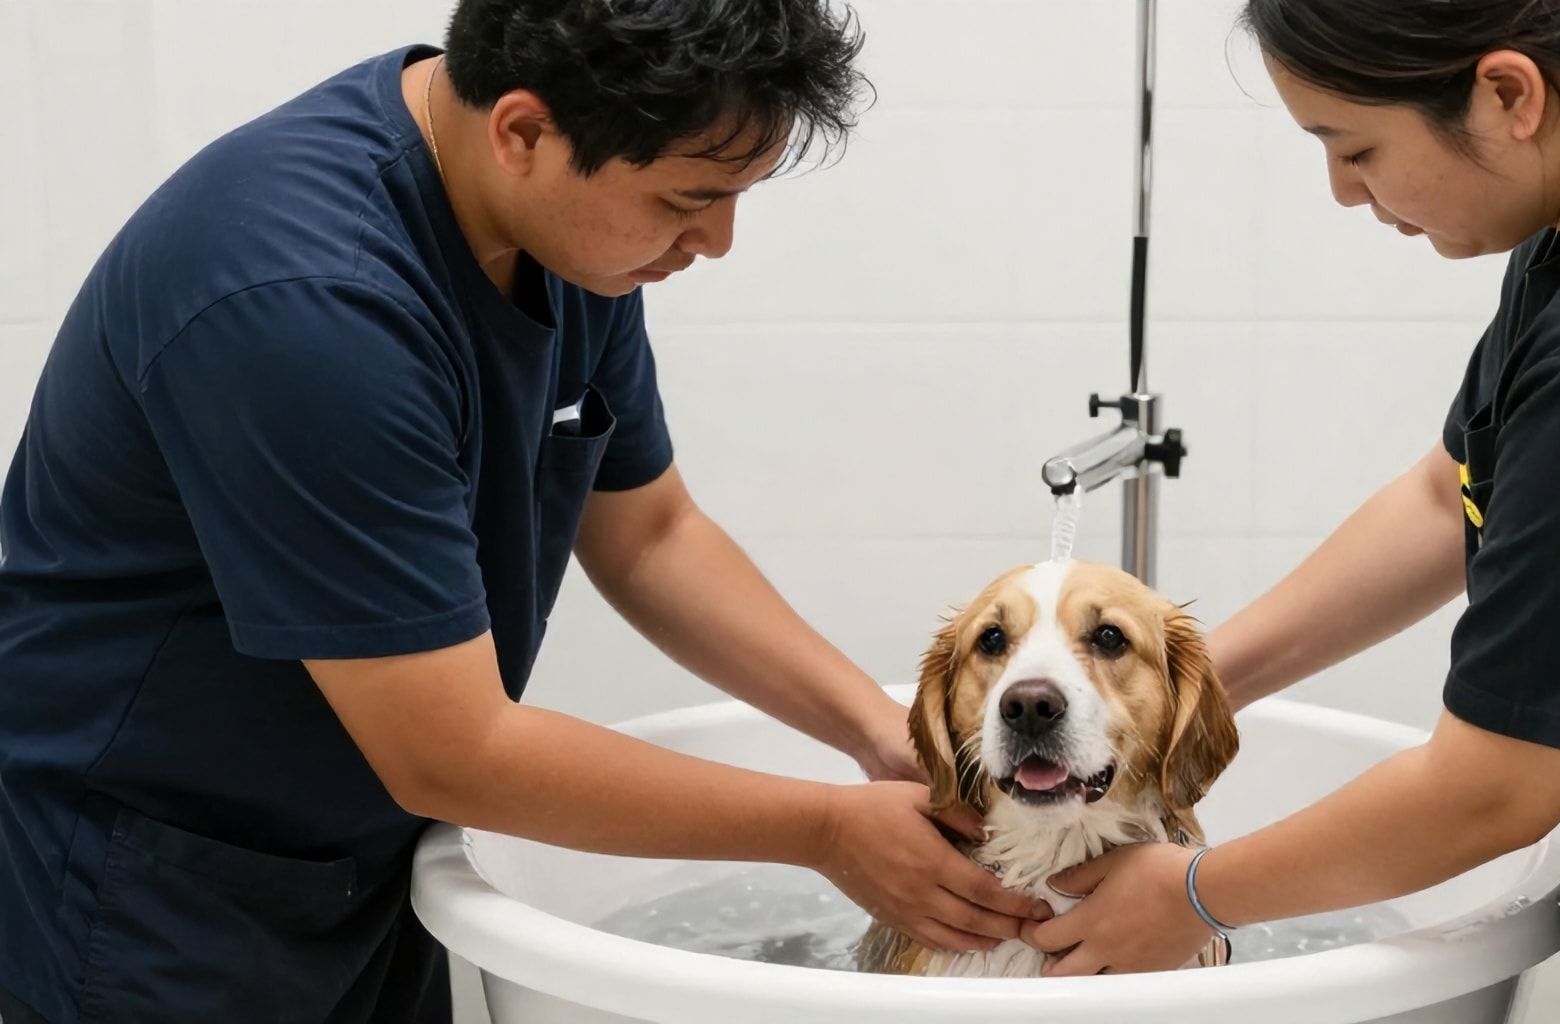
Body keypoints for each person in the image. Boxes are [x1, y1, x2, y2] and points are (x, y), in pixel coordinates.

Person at [0, 2, 1049, 1021]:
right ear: (523, 132)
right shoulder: (302, 302)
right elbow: (454, 750)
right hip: (144, 882)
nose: (717, 241)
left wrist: (880, 733)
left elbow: (650, 534)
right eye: (688, 199)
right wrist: (827, 830)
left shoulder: (569, 237)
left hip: (356, 850)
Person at [1018, 0, 1560, 1019]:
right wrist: (1181, 693)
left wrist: (1196, 895)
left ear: (1507, 93)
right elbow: (1444, 497)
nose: (1341, 191)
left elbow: (1493, 789)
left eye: (1353, 146)